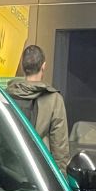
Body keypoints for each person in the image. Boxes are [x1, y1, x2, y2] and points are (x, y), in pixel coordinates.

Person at [7, 44, 71, 172]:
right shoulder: (54, 99)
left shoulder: (5, 95)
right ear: (43, 66)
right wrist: (62, 182)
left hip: (8, 170)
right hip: (39, 174)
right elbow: (60, 149)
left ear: (22, 66)